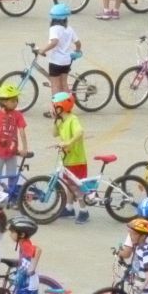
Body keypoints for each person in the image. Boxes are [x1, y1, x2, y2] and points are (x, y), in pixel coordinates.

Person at [52, 92, 89, 223]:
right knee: (69, 184)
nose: (53, 108)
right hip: (66, 158)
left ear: (61, 106)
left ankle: (84, 211)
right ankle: (69, 207)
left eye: (55, 106)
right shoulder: (61, 119)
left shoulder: (73, 119)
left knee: (77, 187)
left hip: (76, 159)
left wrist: (69, 142)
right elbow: (54, 134)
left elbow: (80, 132)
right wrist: (55, 120)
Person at [41, 3, 82, 112]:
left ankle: (56, 109)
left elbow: (54, 42)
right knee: (64, 84)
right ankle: (68, 108)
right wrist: (77, 51)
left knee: (55, 86)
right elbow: (78, 43)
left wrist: (43, 50)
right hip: (66, 61)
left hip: (56, 61)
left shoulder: (54, 28)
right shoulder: (69, 29)